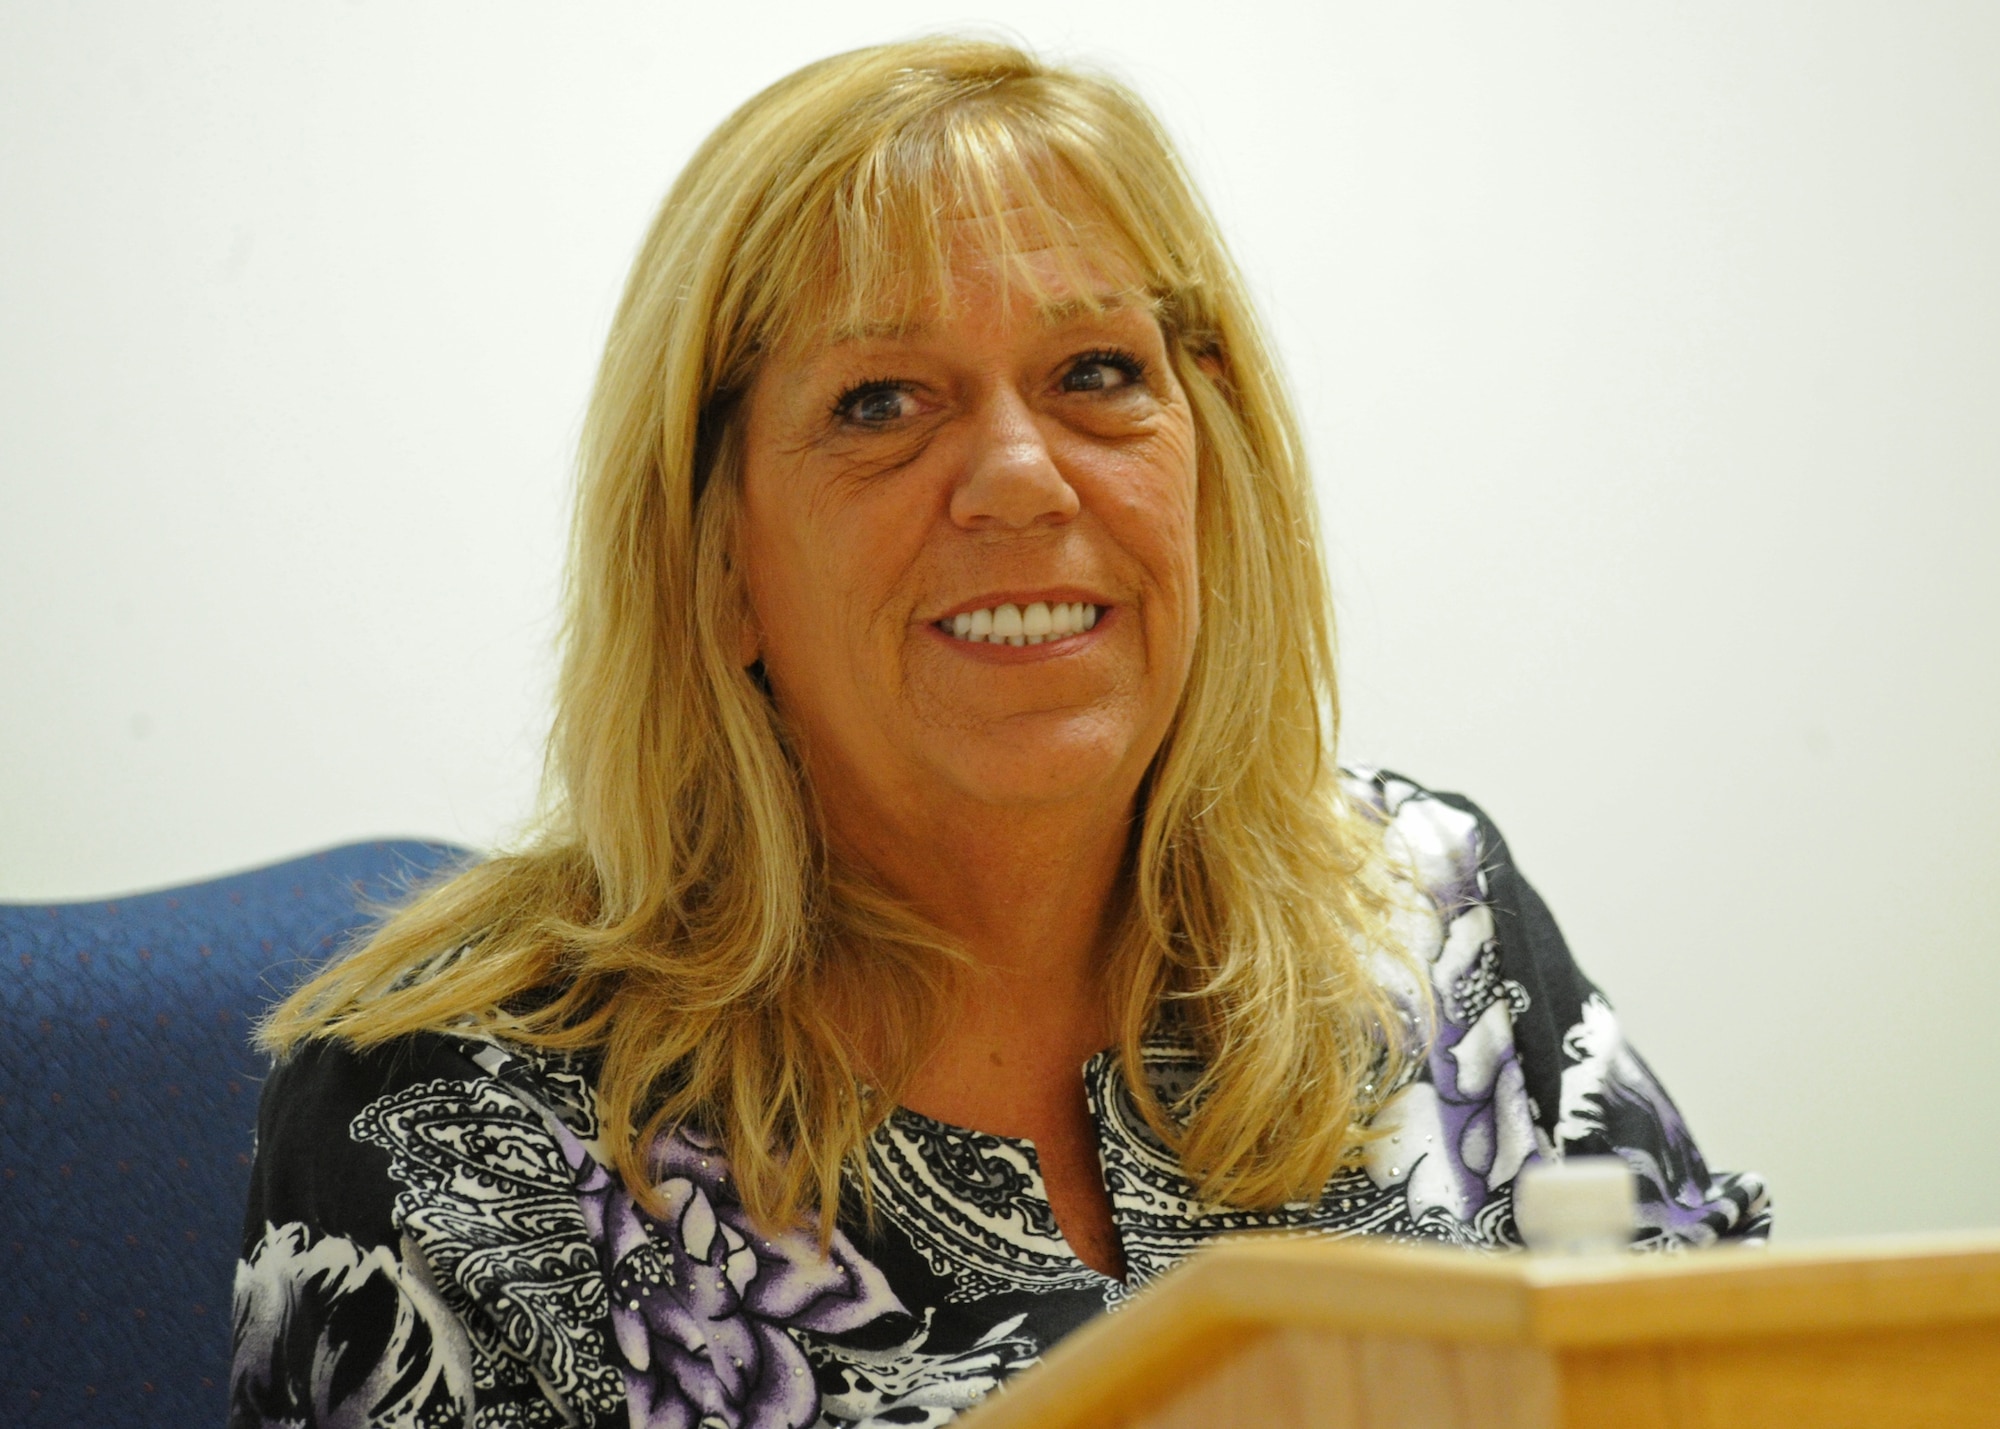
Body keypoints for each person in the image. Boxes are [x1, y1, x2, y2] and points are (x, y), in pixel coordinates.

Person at [228, 37, 1768, 1429]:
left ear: (1209, 468)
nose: (1021, 476)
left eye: (1098, 374)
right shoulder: (454, 1106)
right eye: (883, 401)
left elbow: (1745, 1382)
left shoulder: (1430, 920)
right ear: (719, 562)